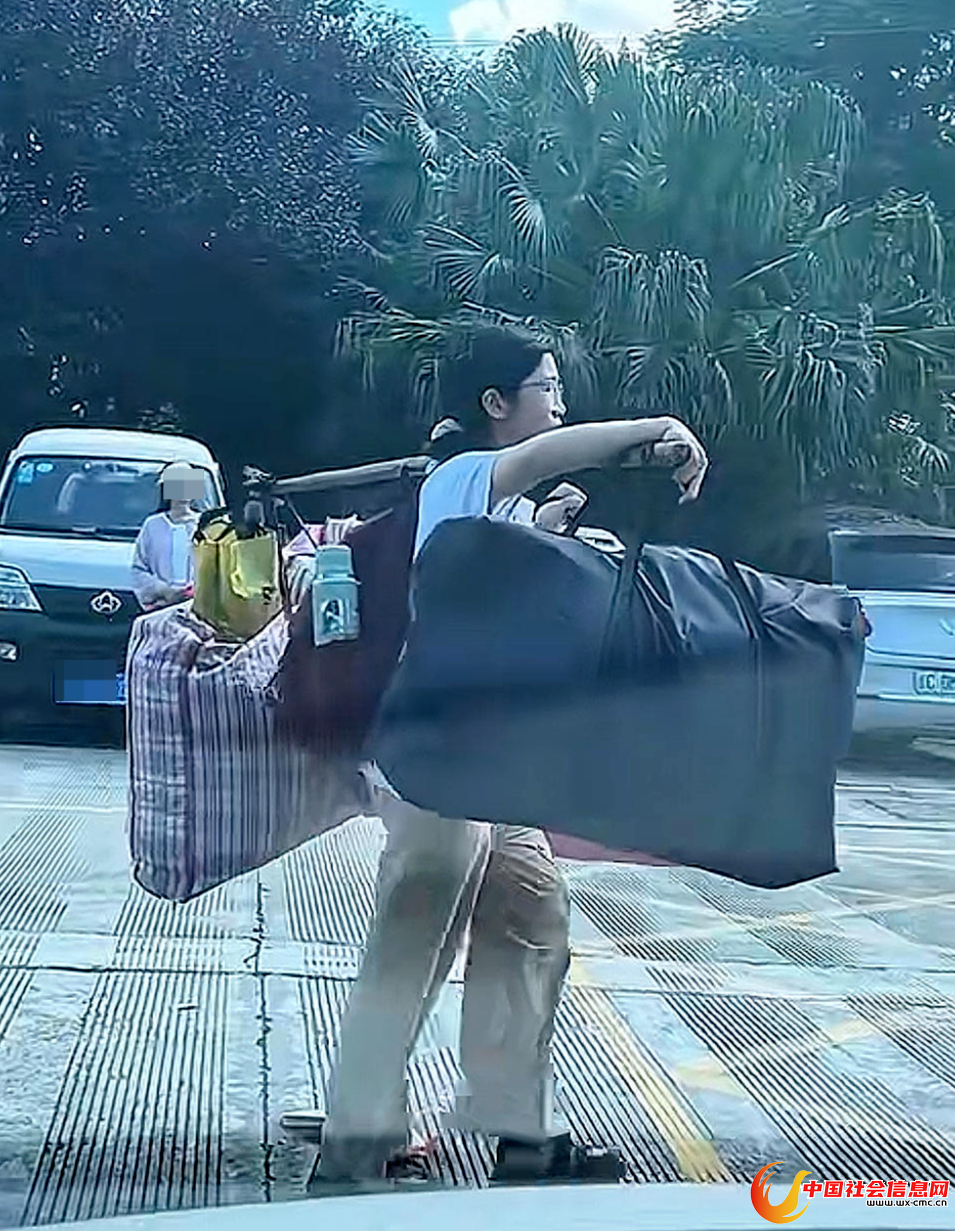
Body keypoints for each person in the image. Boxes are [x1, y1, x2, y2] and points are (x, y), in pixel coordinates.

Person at [311, 327, 708, 1192]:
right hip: (436, 758)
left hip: (493, 763)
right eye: (546, 387)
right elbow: (548, 454)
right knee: (414, 945)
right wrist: (651, 431)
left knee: (532, 925)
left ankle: (518, 1131)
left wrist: (555, 533)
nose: (558, 405)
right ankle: (351, 1150)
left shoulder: (500, 506)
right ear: (495, 402)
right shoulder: (460, 475)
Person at [130, 461, 205, 611]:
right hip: (159, 608)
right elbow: (139, 569)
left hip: (197, 608)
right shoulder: (152, 525)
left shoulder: (206, 525)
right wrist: (164, 591)